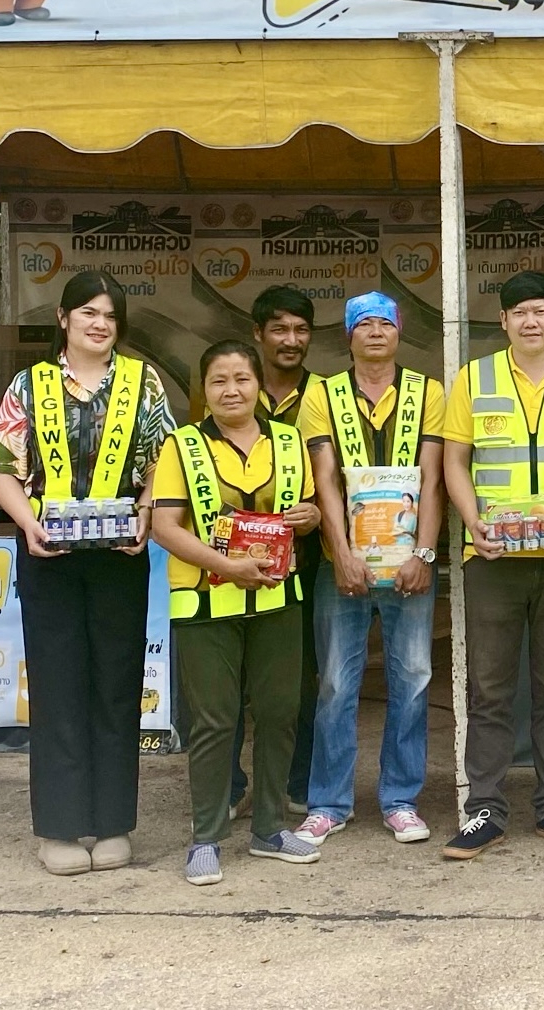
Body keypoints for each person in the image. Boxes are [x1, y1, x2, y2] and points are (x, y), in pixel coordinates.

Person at [0, 269, 175, 876]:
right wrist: (27, 525)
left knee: (116, 686)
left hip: (119, 557)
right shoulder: (29, 385)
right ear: (64, 318)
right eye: (89, 312)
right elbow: (3, 469)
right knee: (58, 686)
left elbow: (166, 460)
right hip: (50, 557)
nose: (100, 324)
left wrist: (146, 512)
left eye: (110, 315)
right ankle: (60, 827)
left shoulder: (144, 383)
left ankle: (113, 822)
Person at [442, 270, 544, 859]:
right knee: (488, 688)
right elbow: (455, 461)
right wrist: (472, 523)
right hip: (492, 557)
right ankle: (484, 809)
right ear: (504, 321)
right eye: (519, 312)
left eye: (541, 310)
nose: (530, 321)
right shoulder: (473, 378)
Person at [152, 340, 323, 884]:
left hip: (276, 600)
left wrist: (311, 515)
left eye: (242, 379)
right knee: (213, 721)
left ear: (258, 386)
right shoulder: (182, 446)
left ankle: (270, 828)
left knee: (280, 713)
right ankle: (206, 837)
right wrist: (228, 566)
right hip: (206, 604)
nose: (232, 390)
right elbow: (164, 526)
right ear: (204, 390)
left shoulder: (289, 441)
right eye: (219, 381)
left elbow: (310, 510)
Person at [292, 291, 445, 847]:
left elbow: (433, 480)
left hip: (409, 565)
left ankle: (400, 800)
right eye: (364, 324)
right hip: (345, 566)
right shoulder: (321, 394)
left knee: (413, 679)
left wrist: (423, 554)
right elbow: (324, 481)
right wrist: (341, 554)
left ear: (399, 333)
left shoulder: (428, 392)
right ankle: (328, 803)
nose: (375, 332)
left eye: (385, 323)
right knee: (335, 683)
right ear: (348, 336)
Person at [223, 285, 323, 822]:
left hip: (304, 563)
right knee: (229, 680)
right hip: (227, 566)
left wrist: (317, 512)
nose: (291, 340)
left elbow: (338, 477)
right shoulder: (233, 388)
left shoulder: (327, 394)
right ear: (257, 333)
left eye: (301, 330)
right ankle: (230, 786)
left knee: (299, 680)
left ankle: (297, 781)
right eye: (279, 329)